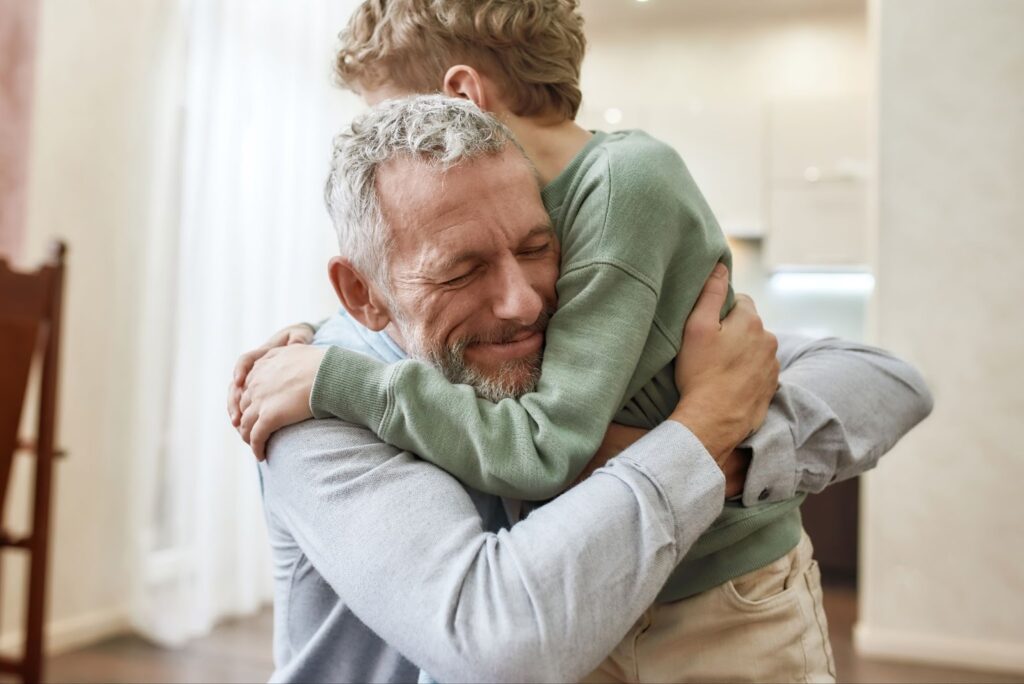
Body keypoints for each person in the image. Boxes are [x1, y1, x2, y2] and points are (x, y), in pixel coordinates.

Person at [235, 97, 932, 683]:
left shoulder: (564, 336)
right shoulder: (311, 411)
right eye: (461, 271)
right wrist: (702, 430)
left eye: (537, 249)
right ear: (363, 293)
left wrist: (733, 446)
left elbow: (885, 381)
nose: (524, 303)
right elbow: (498, 639)